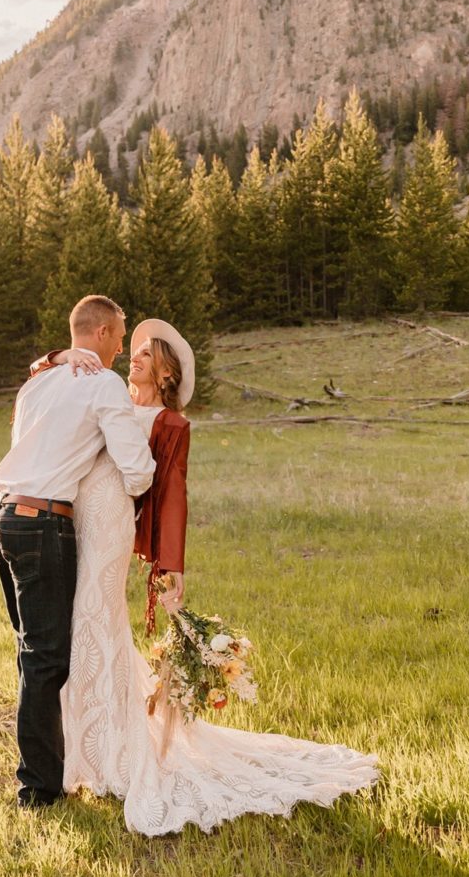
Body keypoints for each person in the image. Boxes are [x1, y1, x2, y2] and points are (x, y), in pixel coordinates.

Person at [44, 319, 379, 836]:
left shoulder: (169, 425)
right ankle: (84, 740)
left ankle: (108, 749)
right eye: (131, 350)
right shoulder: (97, 385)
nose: (132, 358)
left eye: (146, 354)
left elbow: (172, 492)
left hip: (110, 526)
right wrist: (60, 355)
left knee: (95, 621)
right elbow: (44, 378)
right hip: (72, 518)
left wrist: (169, 563)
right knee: (71, 624)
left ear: (166, 372)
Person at [0, 295, 154, 809]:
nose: (125, 347)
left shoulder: (38, 380)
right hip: (42, 524)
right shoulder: (104, 385)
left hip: (2, 518)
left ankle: (44, 771)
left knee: (31, 653)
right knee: (46, 660)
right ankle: (38, 788)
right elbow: (137, 469)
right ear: (102, 332)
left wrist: (54, 357)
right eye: (122, 335)